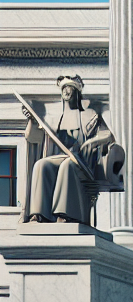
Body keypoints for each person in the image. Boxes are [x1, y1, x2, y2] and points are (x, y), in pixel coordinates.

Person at [24, 75, 114, 224]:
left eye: (70, 89)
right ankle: (39, 214)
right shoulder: (56, 118)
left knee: (68, 165)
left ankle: (66, 214)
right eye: (64, 89)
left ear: (77, 93)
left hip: (82, 161)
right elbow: (34, 137)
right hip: (59, 157)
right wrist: (31, 121)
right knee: (42, 165)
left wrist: (91, 143)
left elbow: (108, 135)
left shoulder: (88, 114)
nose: (67, 92)